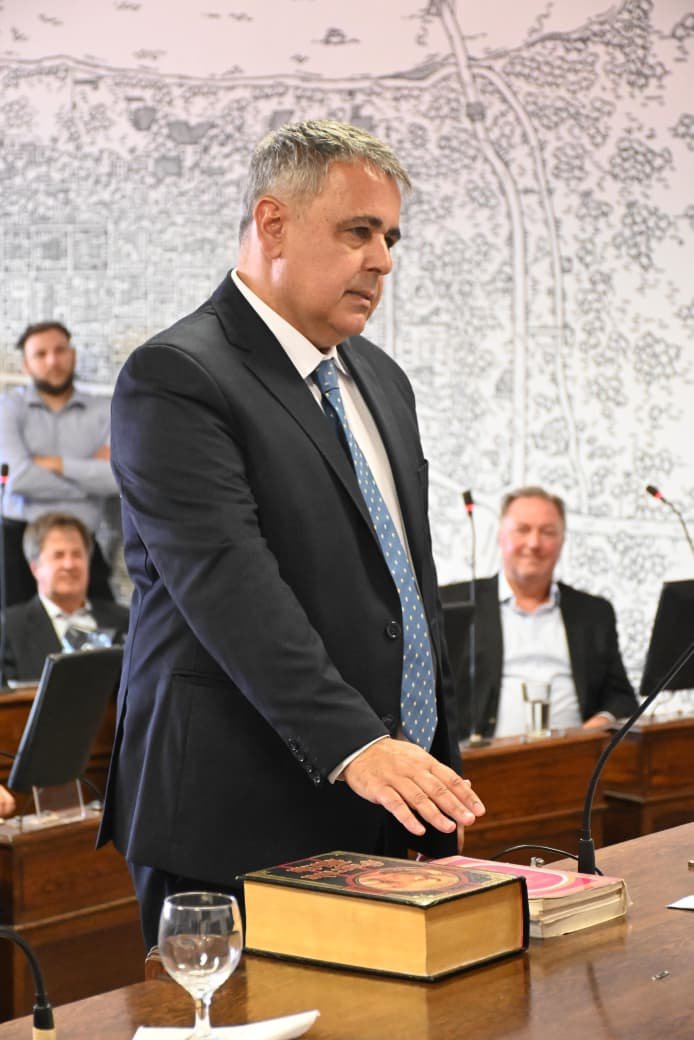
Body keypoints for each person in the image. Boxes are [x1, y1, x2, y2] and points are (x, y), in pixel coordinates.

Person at [98, 119, 485, 949]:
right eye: (358, 232)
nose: (382, 260)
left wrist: (432, 757)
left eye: (390, 238)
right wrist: (361, 745)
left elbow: (404, 587)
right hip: (236, 817)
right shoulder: (177, 376)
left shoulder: (380, 378)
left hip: (387, 800)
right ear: (272, 224)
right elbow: (230, 586)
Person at [442, 486, 638, 739]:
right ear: (500, 536)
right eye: (523, 530)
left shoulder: (594, 613)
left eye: (547, 532)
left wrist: (598, 724)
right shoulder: (453, 604)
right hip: (482, 759)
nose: (534, 543)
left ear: (562, 541)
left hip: (576, 755)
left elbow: (622, 698)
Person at [0, 321, 118, 603]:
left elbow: (117, 480)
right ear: (26, 365)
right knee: (14, 625)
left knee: (107, 621)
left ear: (72, 355)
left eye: (60, 350)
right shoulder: (8, 408)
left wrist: (55, 464)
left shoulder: (107, 411)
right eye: (40, 354)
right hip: (17, 541)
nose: (53, 361)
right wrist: (88, 479)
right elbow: (19, 478)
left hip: (81, 540)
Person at [2, 512, 129, 682]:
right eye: (58, 555)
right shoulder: (10, 629)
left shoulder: (125, 620)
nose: (69, 565)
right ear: (35, 568)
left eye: (77, 554)